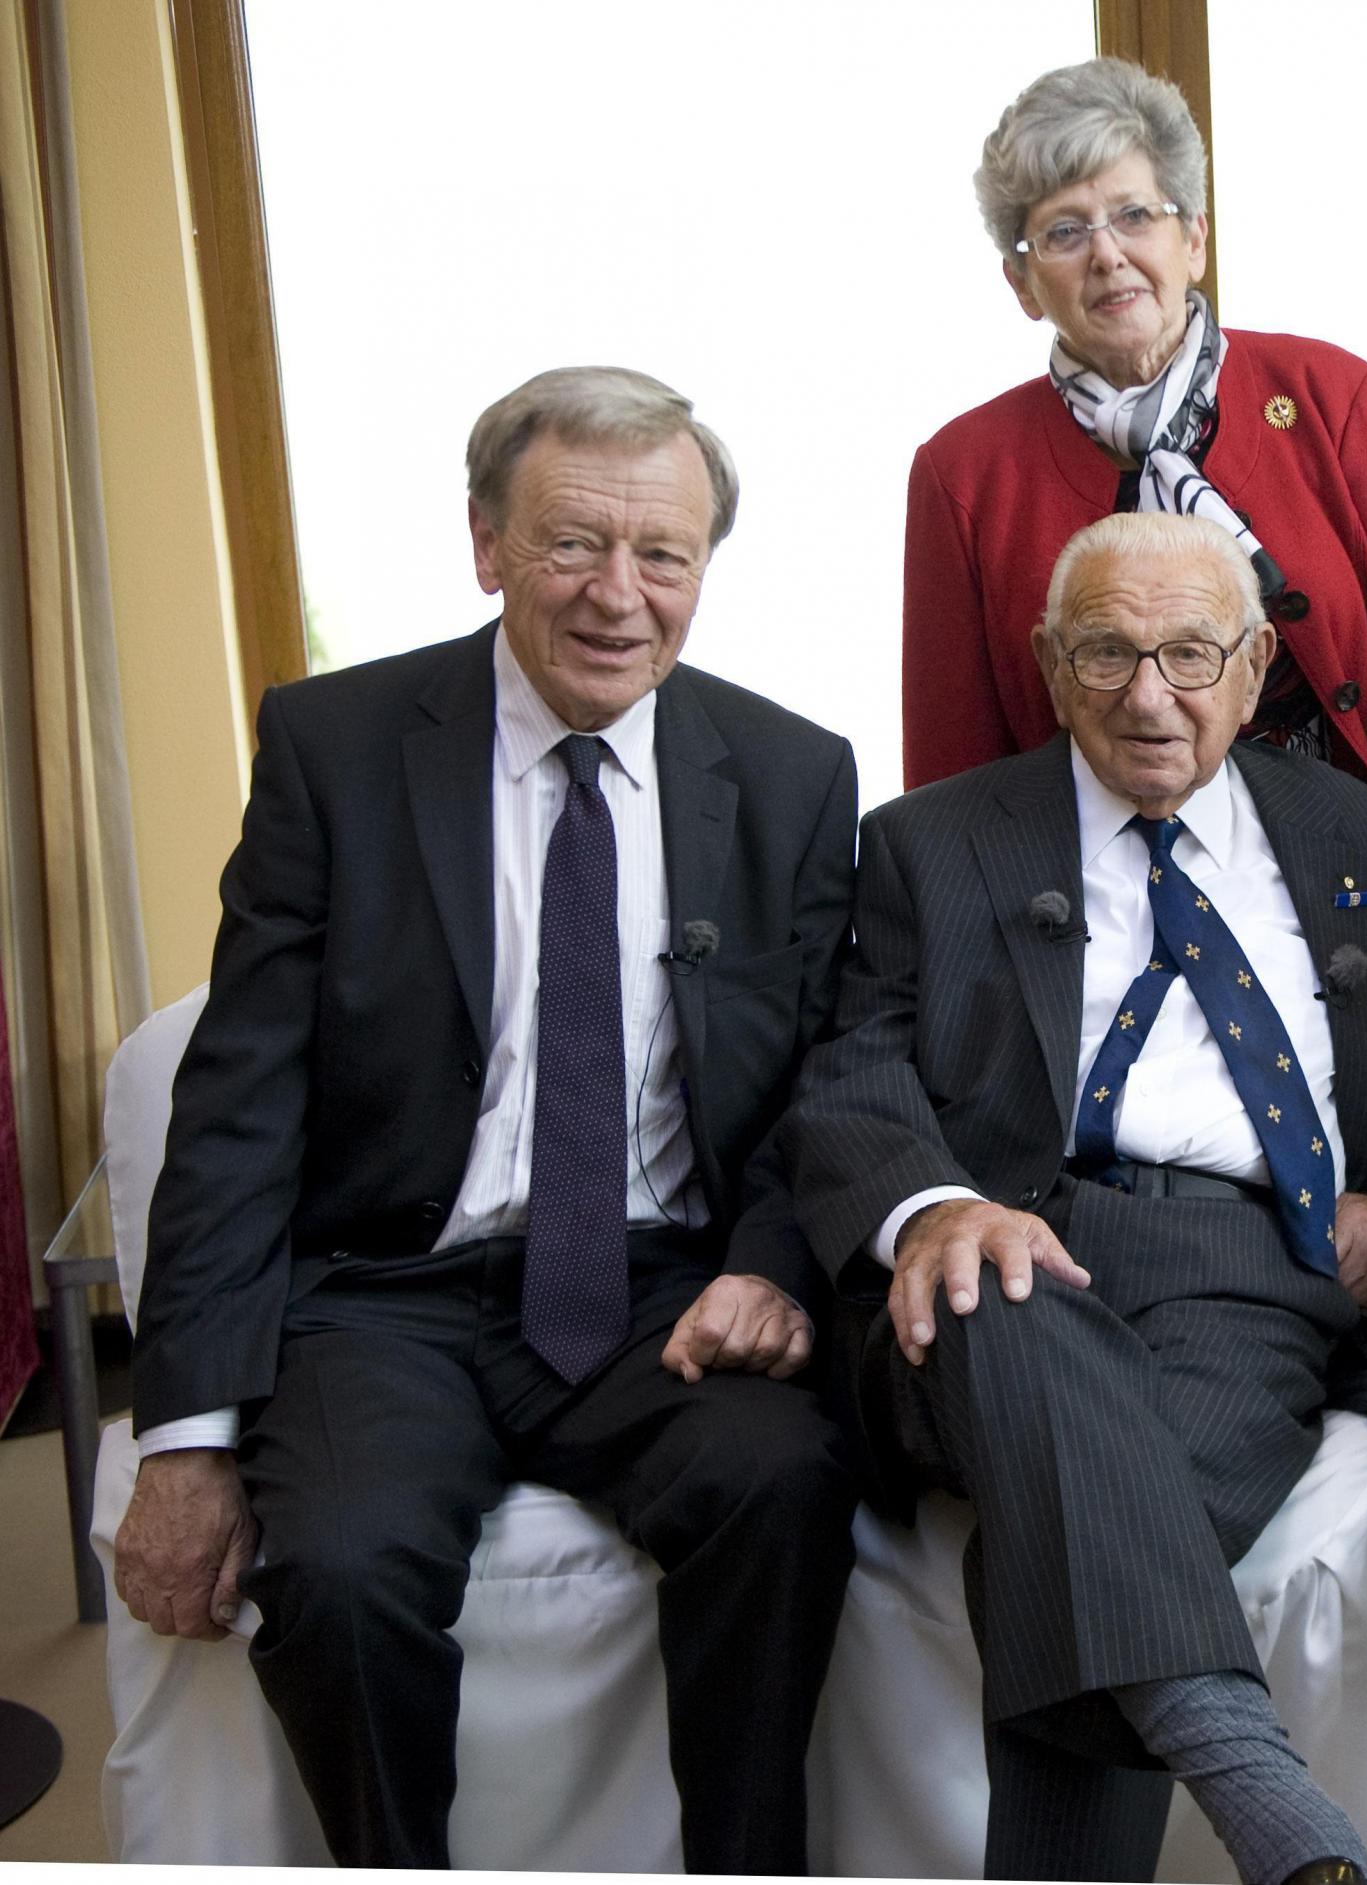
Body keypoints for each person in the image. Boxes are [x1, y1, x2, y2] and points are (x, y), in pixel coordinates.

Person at [112, 366, 862, 1873]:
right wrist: (180, 1434)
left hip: (665, 1287)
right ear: (484, 543)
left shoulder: (790, 775)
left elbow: (825, 1079)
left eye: (664, 556)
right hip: (388, 1293)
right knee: (335, 1565)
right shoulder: (337, 751)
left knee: (780, 1482)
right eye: (571, 543)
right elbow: (240, 1100)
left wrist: (773, 1262)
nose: (618, 596)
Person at [773, 512, 1367, 1884]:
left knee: (1105, 1527)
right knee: (996, 1292)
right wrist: (935, 1208)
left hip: (1239, 1267)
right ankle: (1268, 1799)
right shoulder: (932, 845)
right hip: (1008, 1237)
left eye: (1191, 652)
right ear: (1048, 661)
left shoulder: (1355, 835)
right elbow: (850, 1068)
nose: (1151, 694)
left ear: (1257, 666)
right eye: (1110, 651)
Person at [905, 50, 1367, 1703]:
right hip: (1113, 887)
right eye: (1061, 227)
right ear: (1016, 273)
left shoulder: (1325, 395)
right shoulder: (965, 470)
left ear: (1194, 235)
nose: (1107, 253)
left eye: (1135, 214)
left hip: (1343, 880)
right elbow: (958, 761)